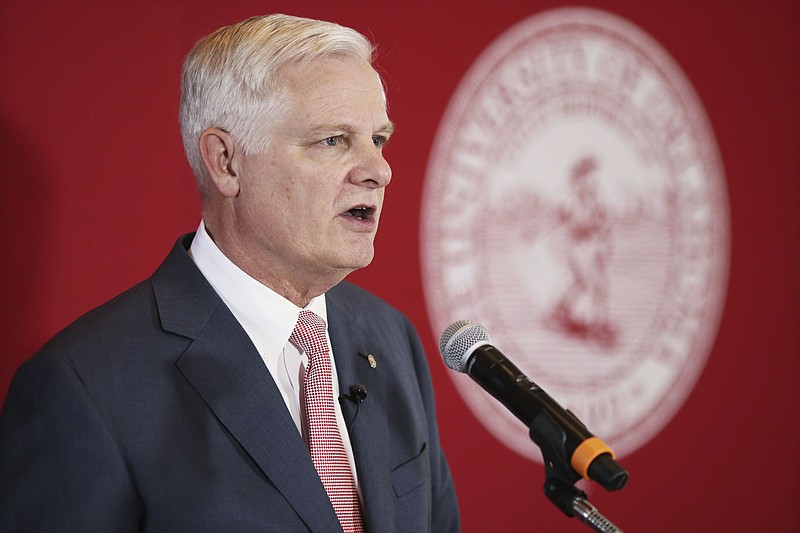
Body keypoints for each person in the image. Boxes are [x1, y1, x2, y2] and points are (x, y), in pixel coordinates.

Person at [0, 13, 460, 532]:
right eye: (332, 140)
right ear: (226, 163)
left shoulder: (390, 337)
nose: (379, 170)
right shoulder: (85, 388)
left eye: (378, 138)